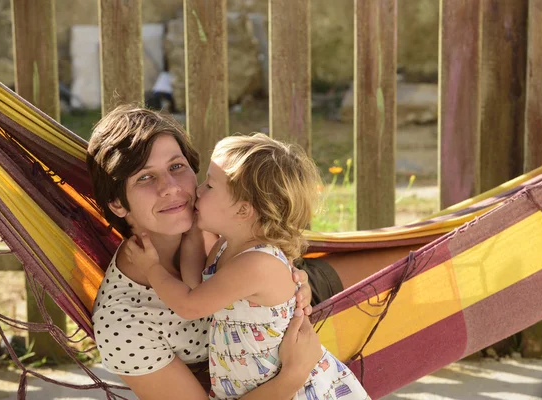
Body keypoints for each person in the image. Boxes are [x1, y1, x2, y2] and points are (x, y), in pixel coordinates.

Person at [86, 105, 417, 399]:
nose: (172, 188)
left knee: (417, 261)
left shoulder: (213, 216)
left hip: (297, 307)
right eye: (145, 177)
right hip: (282, 376)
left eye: (176, 167)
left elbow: (264, 248)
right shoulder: (124, 324)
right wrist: (293, 377)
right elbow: (193, 298)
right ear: (117, 202)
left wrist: (294, 278)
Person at [125, 133, 370, 399]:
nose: (197, 189)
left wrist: (152, 268)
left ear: (242, 211)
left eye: (210, 185)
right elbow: (195, 284)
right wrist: (193, 236)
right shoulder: (225, 246)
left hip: (297, 391)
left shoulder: (256, 263)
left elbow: (189, 305)